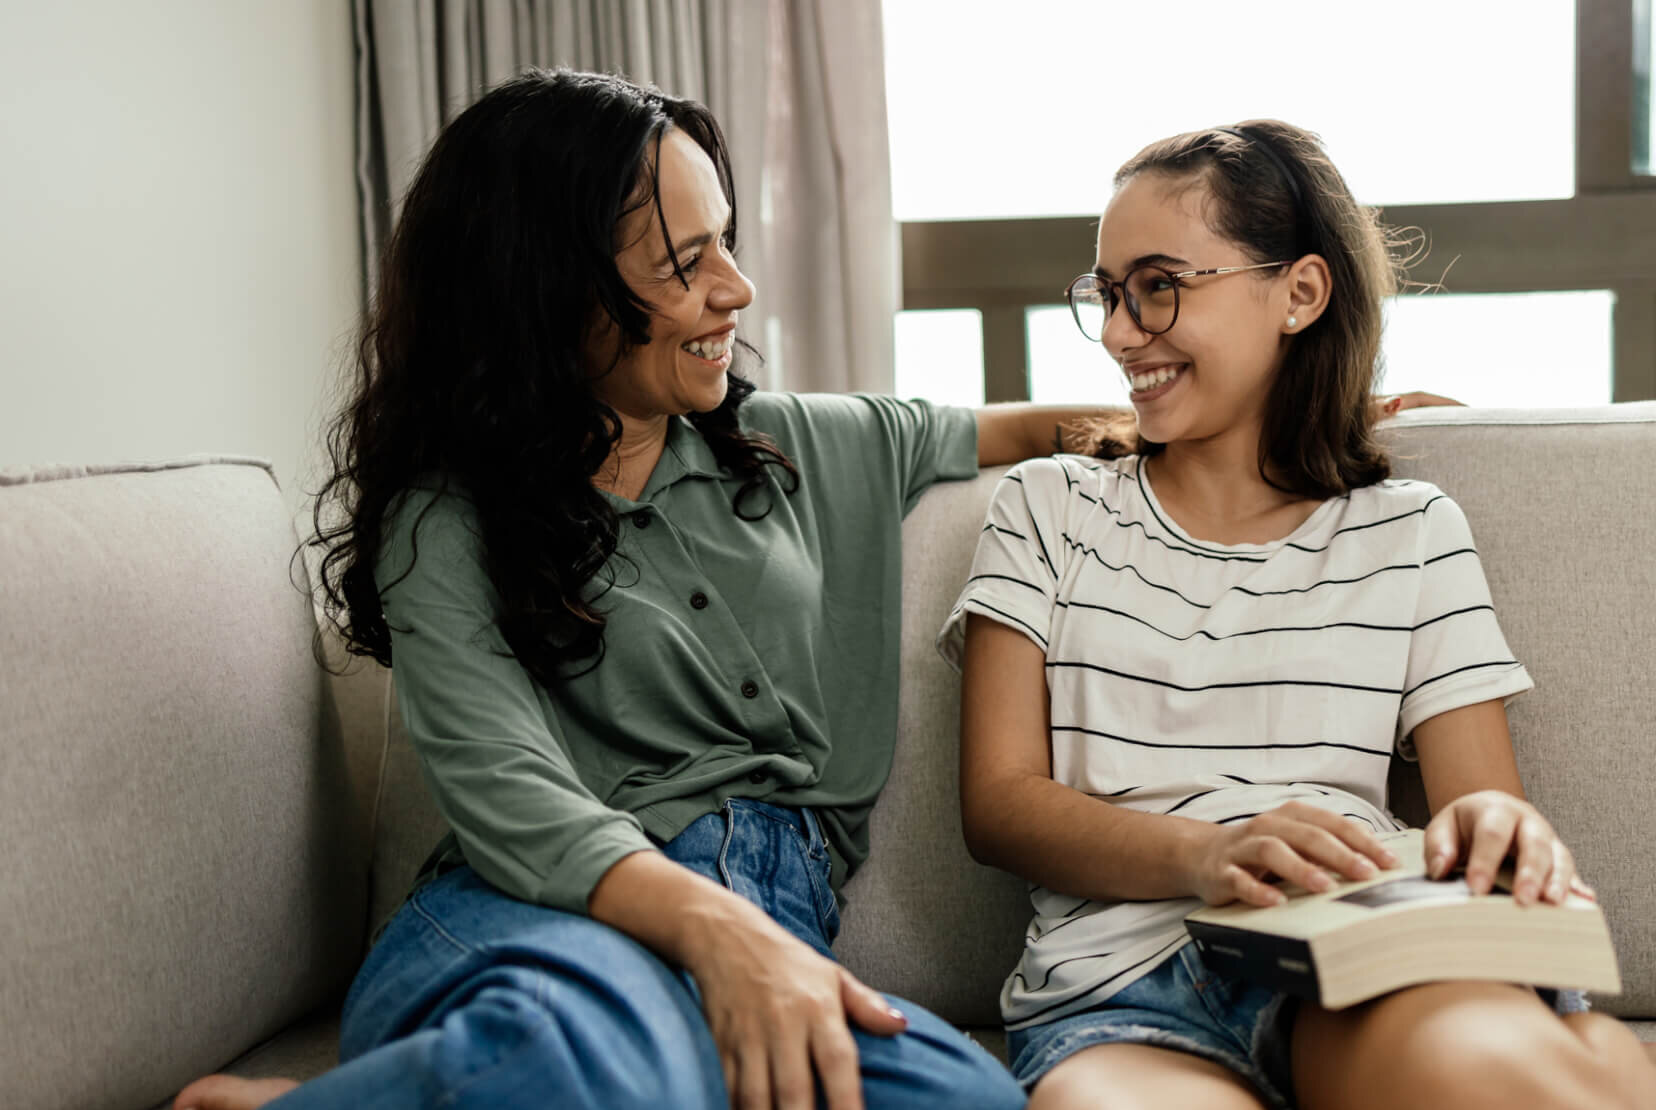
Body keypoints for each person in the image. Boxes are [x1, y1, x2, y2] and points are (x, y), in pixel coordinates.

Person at [170, 68, 1145, 1110]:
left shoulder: (797, 446)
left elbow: (1033, 428)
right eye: (684, 264)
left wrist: (1302, 424)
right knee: (576, 1064)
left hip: (771, 928)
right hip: (541, 920)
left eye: (724, 241)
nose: (735, 287)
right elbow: (508, 791)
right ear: (549, 294)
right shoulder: (446, 516)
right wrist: (715, 932)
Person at [945, 120, 1656, 1110]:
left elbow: (1475, 805)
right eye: (1108, 294)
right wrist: (1204, 854)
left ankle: (1619, 1075)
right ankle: (1639, 1073)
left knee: (1488, 1084)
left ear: (1297, 292)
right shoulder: (1049, 509)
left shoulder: (1408, 529)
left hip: (1358, 953)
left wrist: (1502, 827)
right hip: (1121, 995)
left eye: (1158, 286)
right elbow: (998, 805)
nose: (1120, 332)